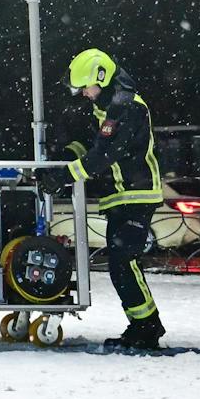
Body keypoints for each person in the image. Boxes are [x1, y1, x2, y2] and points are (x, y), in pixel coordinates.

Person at [64, 48, 168, 349]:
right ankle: (141, 325)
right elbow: (89, 144)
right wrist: (68, 154)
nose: (84, 93)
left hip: (137, 194)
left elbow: (105, 154)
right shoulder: (106, 109)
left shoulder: (127, 107)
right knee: (119, 265)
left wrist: (66, 174)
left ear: (102, 78)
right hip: (119, 197)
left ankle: (148, 327)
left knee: (125, 261)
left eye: (87, 86)